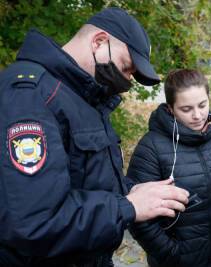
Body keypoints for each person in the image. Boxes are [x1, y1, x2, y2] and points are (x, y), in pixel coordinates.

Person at [0, 7, 189, 267]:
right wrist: (128, 206)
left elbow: (83, 179)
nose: (127, 80)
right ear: (99, 42)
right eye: (126, 67)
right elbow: (34, 222)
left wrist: (129, 191)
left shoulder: (80, 97)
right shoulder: (31, 96)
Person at [126, 69, 211, 267]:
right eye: (186, 109)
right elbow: (137, 215)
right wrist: (172, 254)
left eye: (202, 105)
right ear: (170, 108)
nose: (197, 115)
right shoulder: (151, 147)